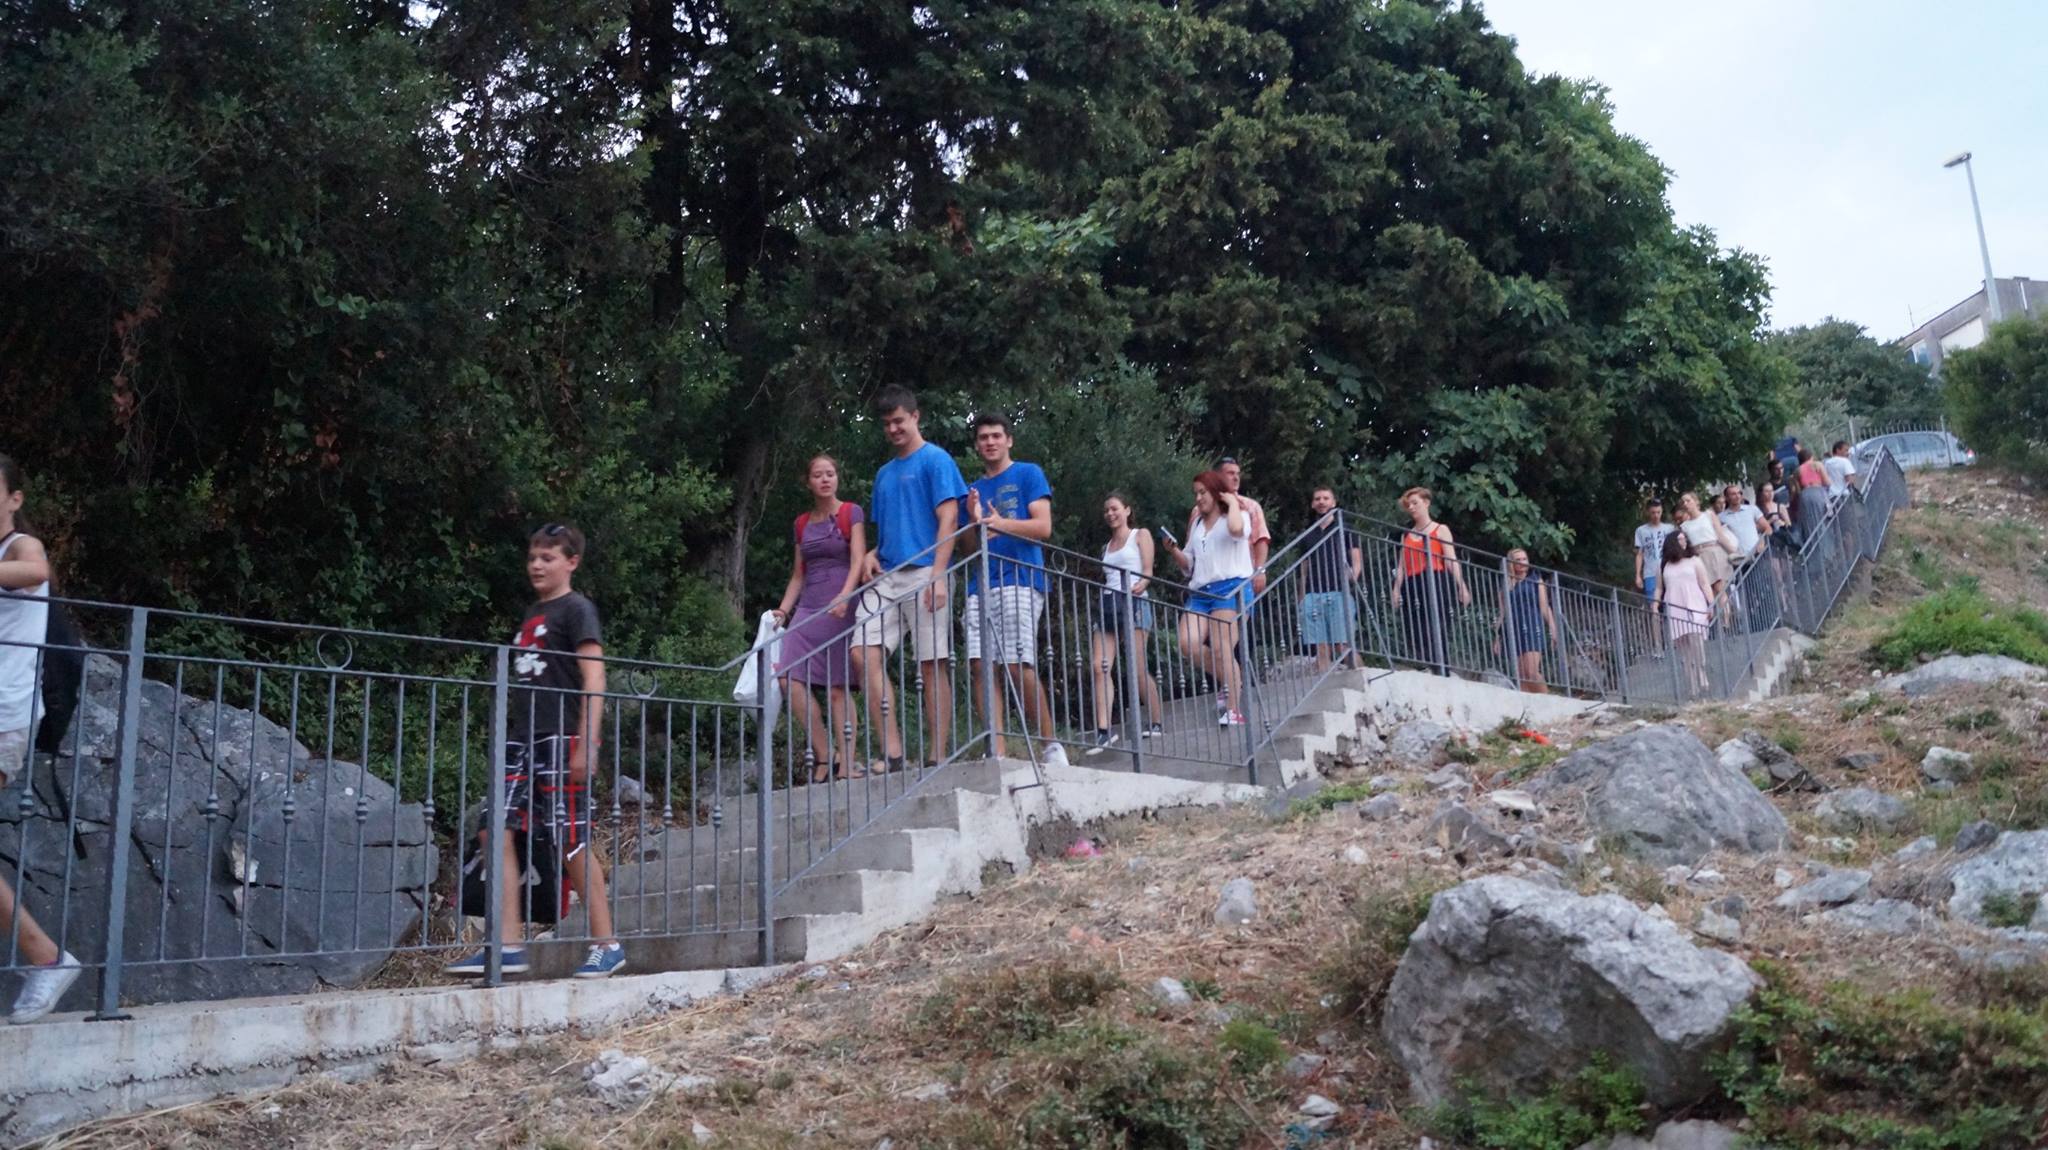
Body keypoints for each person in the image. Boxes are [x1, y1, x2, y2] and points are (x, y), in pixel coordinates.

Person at [446, 523, 624, 979]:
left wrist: (588, 742)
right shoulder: (532, 612)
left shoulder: (577, 609)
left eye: (548, 557)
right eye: (532, 558)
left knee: (569, 839)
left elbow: (595, 676)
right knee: (493, 830)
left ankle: (607, 944)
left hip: (560, 736)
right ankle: (507, 946)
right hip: (521, 737)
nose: (537, 566)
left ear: (572, 562)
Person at [0, 455, 80, 1022]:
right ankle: (46, 958)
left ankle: (47, 958)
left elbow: (37, 571)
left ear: (14, 499)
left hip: (3, 716)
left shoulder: (19, 546)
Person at [855, 386, 968, 773]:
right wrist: (872, 553)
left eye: (899, 421)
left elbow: (949, 519)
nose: (893, 429)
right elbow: (892, 528)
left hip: (926, 570)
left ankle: (937, 754)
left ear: (915, 417)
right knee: (862, 653)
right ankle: (893, 752)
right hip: (888, 574)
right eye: (887, 423)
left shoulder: (936, 459)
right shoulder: (883, 474)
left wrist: (939, 575)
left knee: (931, 663)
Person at [960, 414, 1066, 768]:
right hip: (980, 584)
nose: (990, 442)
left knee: (1019, 665)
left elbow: (1043, 526)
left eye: (996, 436)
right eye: (983, 437)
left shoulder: (1028, 473)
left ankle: (1051, 745)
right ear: (977, 445)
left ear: (1009, 440)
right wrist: (973, 520)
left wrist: (1000, 523)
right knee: (980, 666)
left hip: (1020, 578)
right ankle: (998, 748)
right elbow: (968, 548)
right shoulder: (973, 490)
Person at [771, 455, 867, 783]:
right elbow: (798, 574)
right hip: (809, 606)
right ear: (808, 481)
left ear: (837, 478)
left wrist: (846, 595)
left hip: (841, 602)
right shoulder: (801, 523)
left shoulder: (851, 512)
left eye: (830, 474)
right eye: (818, 475)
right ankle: (825, 753)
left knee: (838, 687)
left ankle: (848, 762)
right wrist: (783, 610)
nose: (825, 479)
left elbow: (858, 559)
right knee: (787, 677)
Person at [1164, 471, 1254, 726]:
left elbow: (1237, 531)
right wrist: (1173, 551)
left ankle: (1234, 710)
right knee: (1187, 643)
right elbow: (1189, 563)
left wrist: (1232, 502)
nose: (1198, 498)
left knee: (1221, 646)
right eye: (1196, 493)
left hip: (1231, 587)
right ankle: (1230, 680)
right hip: (1201, 591)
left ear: (1216, 493)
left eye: (1203, 492)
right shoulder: (1197, 525)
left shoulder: (1238, 516)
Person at [1087, 492, 1166, 753]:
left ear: (1127, 510)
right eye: (1107, 510)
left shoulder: (1140, 535)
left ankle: (1156, 720)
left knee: (1137, 666)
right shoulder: (1106, 547)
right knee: (1099, 665)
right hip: (1109, 604)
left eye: (1115, 509)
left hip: (1135, 602)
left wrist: (1142, 584)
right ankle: (1103, 731)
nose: (1110, 514)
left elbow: (1148, 572)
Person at [1389, 487, 1471, 670]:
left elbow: (1451, 559)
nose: (1411, 507)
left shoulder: (1440, 529)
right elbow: (1402, 565)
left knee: (1437, 625)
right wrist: (1396, 589)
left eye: (1415, 503)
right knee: (1414, 627)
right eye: (1408, 505)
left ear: (1426, 503)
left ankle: (1441, 668)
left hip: (1435, 579)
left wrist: (1462, 586)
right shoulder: (1406, 535)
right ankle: (1428, 664)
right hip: (1412, 583)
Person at [1297, 488, 1362, 671]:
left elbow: (1356, 560)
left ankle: (1361, 676)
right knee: (1321, 647)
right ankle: (1325, 682)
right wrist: (1302, 596)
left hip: (1338, 592)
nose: (1321, 502)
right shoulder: (1308, 534)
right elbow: (1304, 568)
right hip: (1313, 594)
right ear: (1313, 504)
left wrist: (1351, 579)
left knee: (1342, 645)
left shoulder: (1345, 529)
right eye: (1317, 498)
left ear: (1333, 502)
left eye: (1326, 498)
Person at [1654, 531, 1715, 693]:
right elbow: (1659, 588)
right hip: (1675, 607)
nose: (1684, 541)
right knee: (1684, 650)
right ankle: (1692, 685)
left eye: (1685, 539)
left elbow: (1704, 584)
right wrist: (1655, 604)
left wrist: (1711, 603)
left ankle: (1702, 673)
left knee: (1696, 641)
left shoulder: (1694, 561)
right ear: (1673, 542)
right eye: (1680, 539)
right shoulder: (1663, 565)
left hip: (1695, 604)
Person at [1492, 549, 1560, 694]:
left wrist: (1553, 628)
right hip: (1513, 629)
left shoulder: (1535, 580)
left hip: (1532, 625)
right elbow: (1502, 613)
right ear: (1511, 563)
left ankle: (1548, 700)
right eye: (1518, 560)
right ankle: (1528, 704)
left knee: (1531, 671)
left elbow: (1544, 606)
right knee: (1521, 675)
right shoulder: (1506, 586)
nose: (1522, 563)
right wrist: (1497, 636)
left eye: (1524, 559)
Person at [1206, 458, 1274, 595]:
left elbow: (1260, 539)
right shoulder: (1200, 510)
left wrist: (1260, 570)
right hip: (1207, 580)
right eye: (1230, 473)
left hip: (1240, 580)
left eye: (1237, 473)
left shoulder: (1250, 506)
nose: (1236, 478)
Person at [1675, 492, 1737, 611]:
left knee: (1719, 588)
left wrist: (1733, 551)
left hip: (1714, 551)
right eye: (1683, 502)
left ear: (1696, 501)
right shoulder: (1684, 526)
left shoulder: (1708, 515)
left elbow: (1720, 535)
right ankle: (1716, 619)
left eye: (1688, 500)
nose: (1685, 504)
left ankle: (1725, 620)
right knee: (1708, 591)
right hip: (1698, 556)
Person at [1633, 499, 1676, 606]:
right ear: (1648, 512)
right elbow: (1640, 554)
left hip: (1668, 569)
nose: (1656, 515)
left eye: (1658, 512)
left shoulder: (1670, 528)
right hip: (1650, 572)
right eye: (1653, 513)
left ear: (1662, 512)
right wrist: (1638, 575)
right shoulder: (1641, 530)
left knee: (1672, 603)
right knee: (1653, 604)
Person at [1718, 483, 1770, 565]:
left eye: (1739, 493)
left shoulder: (1752, 509)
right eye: (1733, 494)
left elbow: (1768, 528)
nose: (1737, 496)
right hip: (1738, 560)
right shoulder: (1721, 517)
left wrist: (1761, 542)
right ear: (1726, 498)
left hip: (1758, 555)